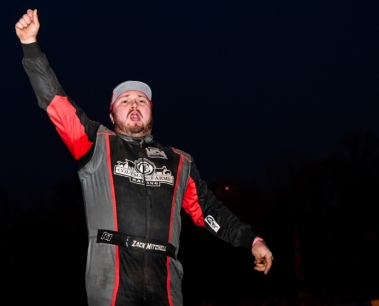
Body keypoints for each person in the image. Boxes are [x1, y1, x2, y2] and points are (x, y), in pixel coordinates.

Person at [15, 8, 273, 306]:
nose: (134, 104)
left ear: (151, 111)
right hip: (110, 277)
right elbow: (54, 101)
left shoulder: (180, 161)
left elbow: (208, 210)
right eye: (125, 101)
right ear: (112, 113)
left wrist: (251, 240)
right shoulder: (94, 142)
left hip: (165, 279)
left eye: (141, 100)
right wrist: (30, 46)